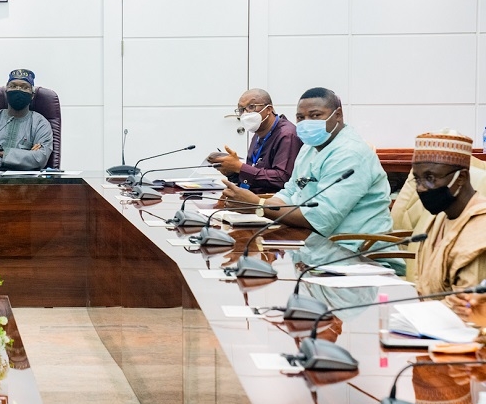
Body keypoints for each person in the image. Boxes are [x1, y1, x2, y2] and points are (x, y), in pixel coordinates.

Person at [220, 87, 391, 237]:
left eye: (315, 115)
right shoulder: (310, 146)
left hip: (354, 252)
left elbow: (321, 217)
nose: (306, 123)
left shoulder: (350, 153)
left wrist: (259, 205)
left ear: (338, 115)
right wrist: (251, 204)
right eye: (300, 118)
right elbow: (290, 192)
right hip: (312, 243)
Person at [406, 132, 486, 295]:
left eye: (430, 178)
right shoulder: (439, 217)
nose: (421, 188)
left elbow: (467, 306)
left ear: (461, 178)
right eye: (417, 179)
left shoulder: (480, 229)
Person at [207, 88, 301, 194]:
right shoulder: (258, 134)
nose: (245, 113)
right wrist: (231, 172)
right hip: (252, 198)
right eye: (241, 110)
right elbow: (254, 178)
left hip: (274, 203)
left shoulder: (287, 135)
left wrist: (240, 167)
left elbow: (282, 179)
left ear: (269, 109)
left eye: (251, 107)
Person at [0, 69, 53, 171]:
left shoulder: (41, 123)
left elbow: (39, 159)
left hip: (28, 184)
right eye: (13, 86)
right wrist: (25, 156)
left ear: (32, 95)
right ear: (6, 92)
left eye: (24, 87)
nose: (18, 90)